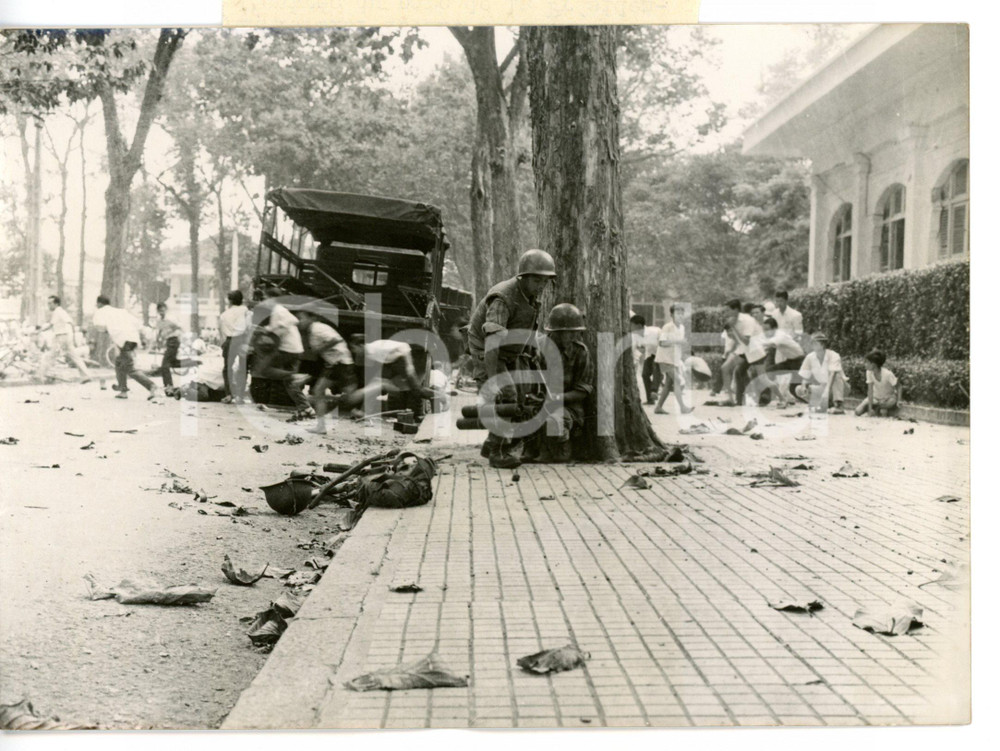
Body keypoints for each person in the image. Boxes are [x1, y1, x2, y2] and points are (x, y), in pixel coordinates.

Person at [466, 249, 556, 469]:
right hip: (488, 349)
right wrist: (493, 380)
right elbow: (492, 343)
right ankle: (497, 454)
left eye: (545, 281)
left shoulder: (531, 297)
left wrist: (530, 349)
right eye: (536, 280)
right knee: (505, 396)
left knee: (523, 396)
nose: (541, 286)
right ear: (523, 277)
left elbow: (526, 326)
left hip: (511, 350)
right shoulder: (503, 298)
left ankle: (491, 443)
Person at [525, 303, 594, 463]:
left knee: (555, 419)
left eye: (574, 332)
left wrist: (557, 398)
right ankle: (531, 447)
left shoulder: (580, 352)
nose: (571, 336)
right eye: (566, 333)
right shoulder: (537, 349)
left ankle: (559, 447)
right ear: (555, 332)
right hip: (538, 401)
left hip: (567, 407)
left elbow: (583, 390)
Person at [343, 335, 436, 419]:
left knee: (417, 391)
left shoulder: (375, 348)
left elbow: (403, 346)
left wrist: (409, 366)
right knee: (375, 383)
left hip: (402, 359)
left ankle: (441, 396)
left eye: (354, 348)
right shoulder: (369, 352)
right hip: (392, 362)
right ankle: (364, 412)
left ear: (360, 345)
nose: (354, 351)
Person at [254, 287, 313, 420]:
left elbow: (286, 325)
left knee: (264, 369)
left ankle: (296, 376)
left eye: (266, 298)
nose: (265, 301)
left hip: (289, 349)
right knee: (289, 384)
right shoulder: (281, 311)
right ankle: (306, 408)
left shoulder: (277, 310)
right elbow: (288, 323)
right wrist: (269, 329)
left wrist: (268, 331)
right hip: (295, 349)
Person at [297, 305, 357, 434]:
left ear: (310, 317)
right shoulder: (313, 329)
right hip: (334, 363)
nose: (299, 321)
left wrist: (319, 350)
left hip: (341, 363)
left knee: (350, 398)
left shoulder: (318, 328)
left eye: (301, 318)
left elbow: (335, 339)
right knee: (318, 391)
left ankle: (373, 391)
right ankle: (321, 426)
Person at [91, 295, 161, 400]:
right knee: (119, 363)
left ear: (99, 303)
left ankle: (151, 386)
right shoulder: (121, 311)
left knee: (129, 368)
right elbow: (137, 323)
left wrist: (107, 330)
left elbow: (99, 326)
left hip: (123, 340)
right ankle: (122, 390)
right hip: (132, 339)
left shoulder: (100, 312)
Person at [36, 295, 91, 383]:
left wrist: (39, 331)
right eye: (48, 303)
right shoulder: (62, 312)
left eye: (50, 303)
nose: (48, 305)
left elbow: (51, 325)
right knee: (74, 356)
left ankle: (40, 376)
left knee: (49, 356)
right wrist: (72, 337)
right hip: (66, 336)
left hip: (61, 337)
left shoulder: (57, 312)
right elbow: (71, 323)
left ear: (56, 303)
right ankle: (86, 375)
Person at [719, 299, 762, 406]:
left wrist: (733, 327)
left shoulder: (748, 320)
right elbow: (737, 340)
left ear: (736, 310)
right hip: (743, 350)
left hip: (755, 350)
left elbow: (746, 341)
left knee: (761, 377)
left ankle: (778, 398)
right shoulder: (733, 320)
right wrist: (730, 349)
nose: (726, 313)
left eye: (728, 310)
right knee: (725, 368)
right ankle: (732, 399)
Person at [148, 302, 197, 390]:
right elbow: (159, 332)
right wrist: (158, 342)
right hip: (168, 342)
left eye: (163, 310)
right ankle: (192, 362)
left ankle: (169, 386)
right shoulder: (159, 321)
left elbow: (180, 328)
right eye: (160, 311)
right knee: (173, 362)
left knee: (165, 365)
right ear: (158, 311)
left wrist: (178, 335)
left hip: (173, 341)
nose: (161, 312)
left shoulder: (170, 319)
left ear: (166, 310)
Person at [795, 332, 847, 414]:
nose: (812, 344)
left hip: (838, 388)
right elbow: (805, 375)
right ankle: (823, 405)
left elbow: (832, 374)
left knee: (837, 376)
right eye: (811, 342)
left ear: (823, 344)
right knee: (799, 389)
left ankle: (838, 405)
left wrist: (826, 392)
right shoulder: (810, 357)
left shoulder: (833, 355)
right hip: (823, 387)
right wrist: (804, 386)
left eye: (815, 342)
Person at [653, 304, 691, 415]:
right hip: (664, 359)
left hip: (674, 359)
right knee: (678, 381)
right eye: (677, 313)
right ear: (672, 315)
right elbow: (662, 342)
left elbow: (678, 344)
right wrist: (678, 341)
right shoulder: (667, 327)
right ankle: (683, 408)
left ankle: (658, 407)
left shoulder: (682, 327)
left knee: (668, 385)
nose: (680, 316)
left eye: (681, 313)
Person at [761, 316, 805, 408]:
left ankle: (815, 401)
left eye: (767, 329)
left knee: (794, 389)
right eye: (764, 330)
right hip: (790, 361)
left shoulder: (780, 335)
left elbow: (770, 344)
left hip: (800, 362)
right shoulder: (773, 336)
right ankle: (765, 397)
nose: (765, 332)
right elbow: (766, 347)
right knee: (769, 371)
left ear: (775, 328)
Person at [219, 290, 251, 404]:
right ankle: (240, 396)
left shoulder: (224, 314)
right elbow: (248, 327)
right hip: (242, 340)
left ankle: (229, 394)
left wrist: (224, 343)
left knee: (227, 368)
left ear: (230, 300)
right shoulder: (245, 311)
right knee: (243, 368)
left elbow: (222, 332)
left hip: (229, 340)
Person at [854, 349, 900, 417]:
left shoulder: (887, 374)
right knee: (857, 411)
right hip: (876, 398)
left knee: (889, 403)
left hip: (888, 398)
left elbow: (899, 387)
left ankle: (879, 409)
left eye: (867, 362)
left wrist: (899, 400)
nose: (865, 364)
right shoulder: (869, 372)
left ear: (873, 364)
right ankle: (876, 409)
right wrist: (869, 408)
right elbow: (870, 391)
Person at [630, 314, 662, 405]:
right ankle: (650, 399)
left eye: (631, 325)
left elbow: (664, 341)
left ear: (639, 325)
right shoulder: (635, 336)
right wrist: (634, 361)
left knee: (656, 368)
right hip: (650, 355)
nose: (630, 327)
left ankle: (654, 391)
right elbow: (634, 349)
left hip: (661, 353)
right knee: (644, 374)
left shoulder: (655, 331)